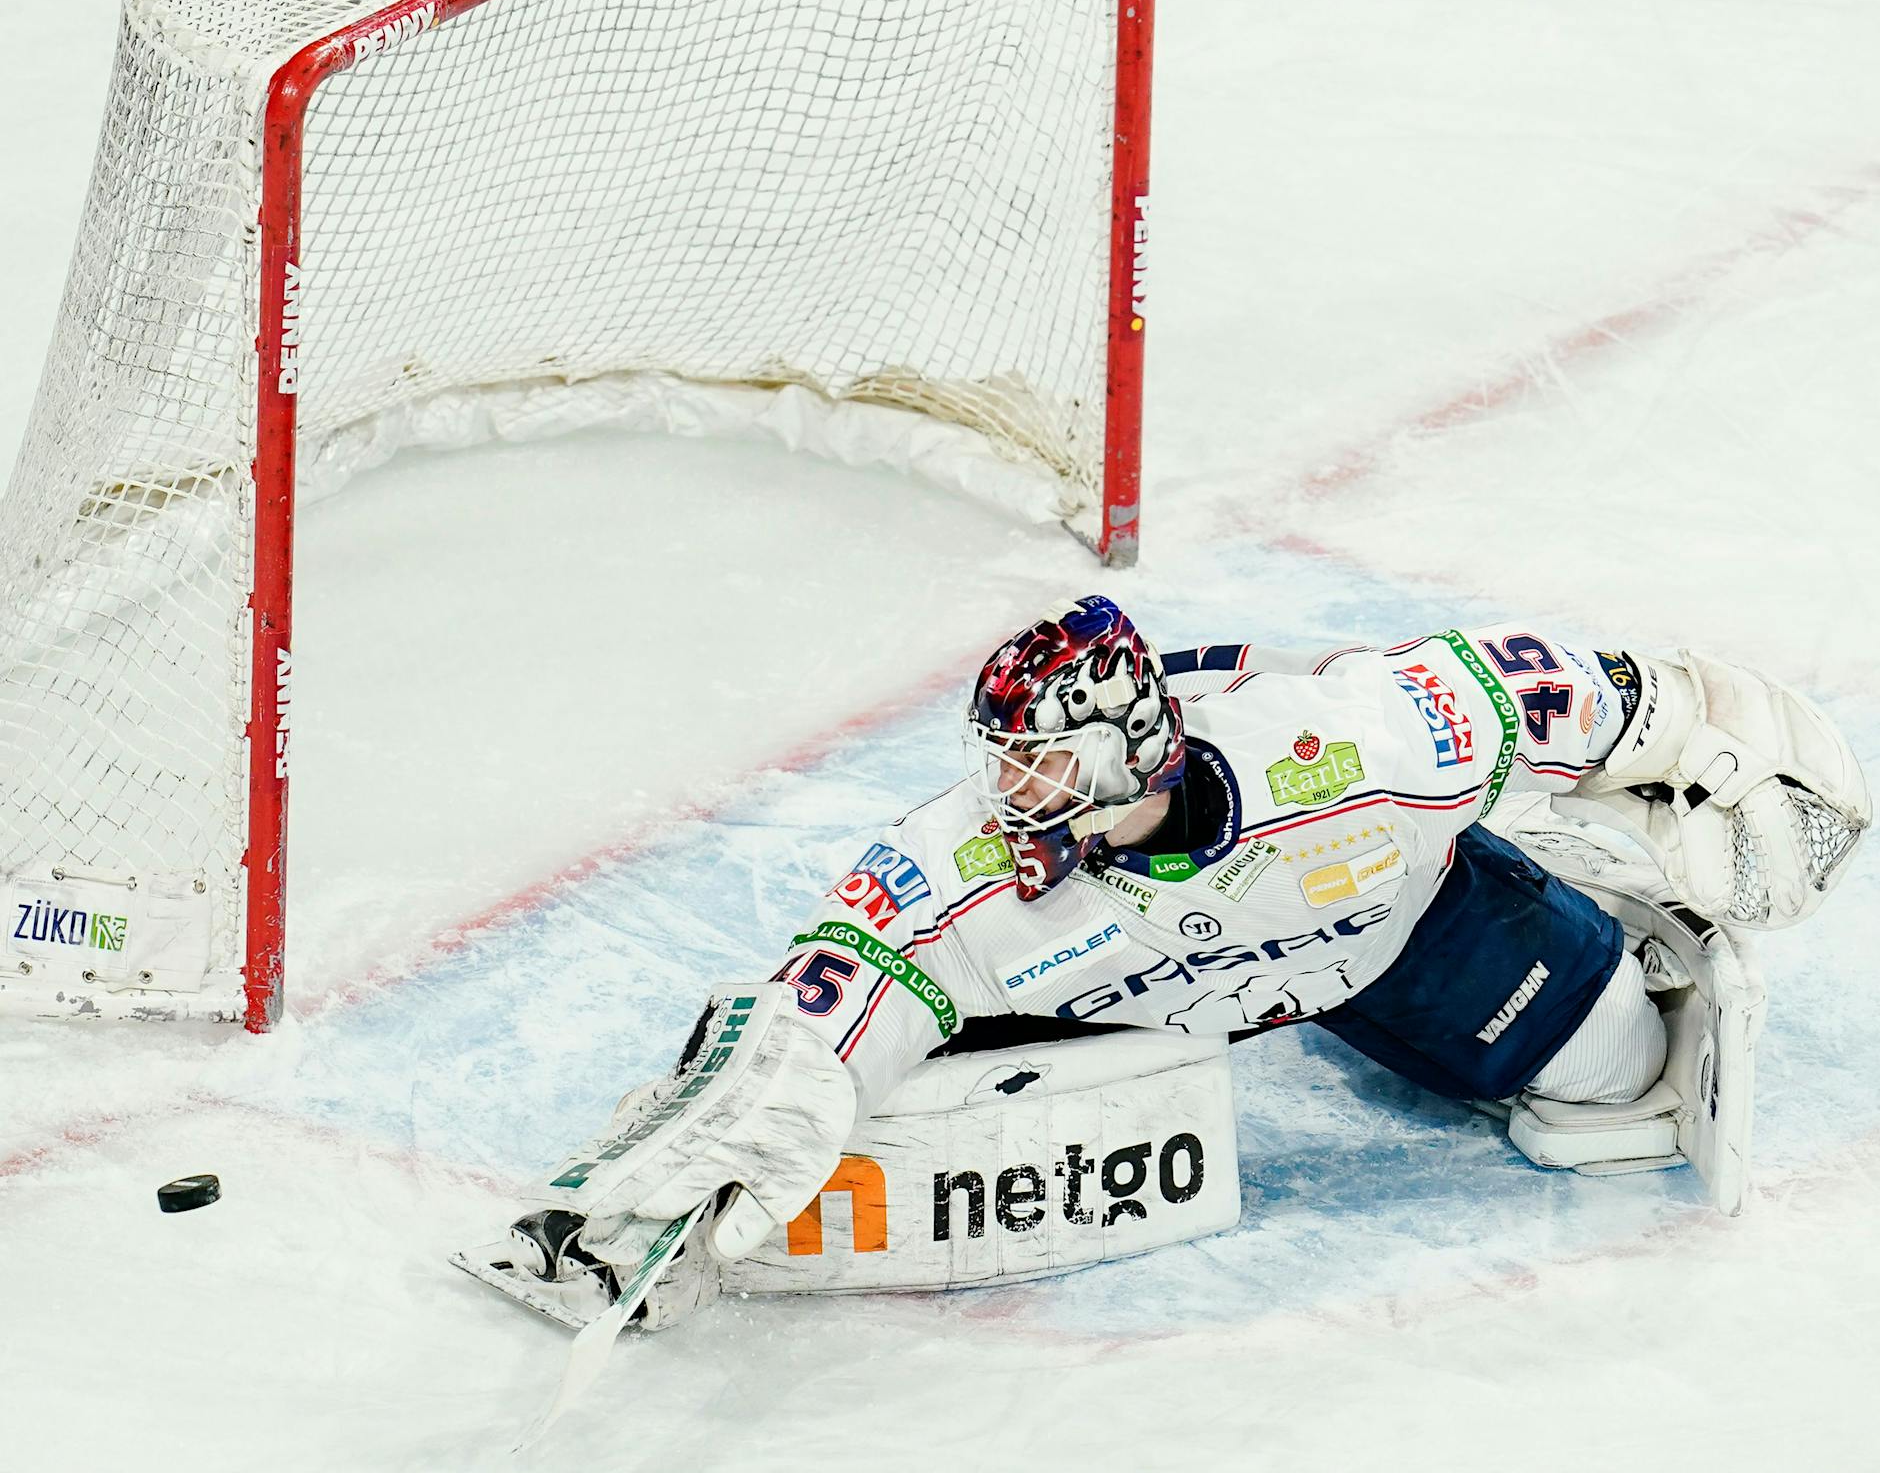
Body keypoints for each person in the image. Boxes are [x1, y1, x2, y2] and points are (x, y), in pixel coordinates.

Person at [472, 598, 1869, 1327]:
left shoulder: (1351, 742)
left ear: (1128, 745)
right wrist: (719, 1136)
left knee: (1613, 1079)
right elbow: (834, 984)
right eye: (1000, 762)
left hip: (1393, 936)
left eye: (1041, 760)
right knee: (879, 1097)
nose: (1011, 793)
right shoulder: (977, 877)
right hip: (1130, 996)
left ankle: (1572, 923)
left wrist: (1712, 742)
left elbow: (1569, 689)